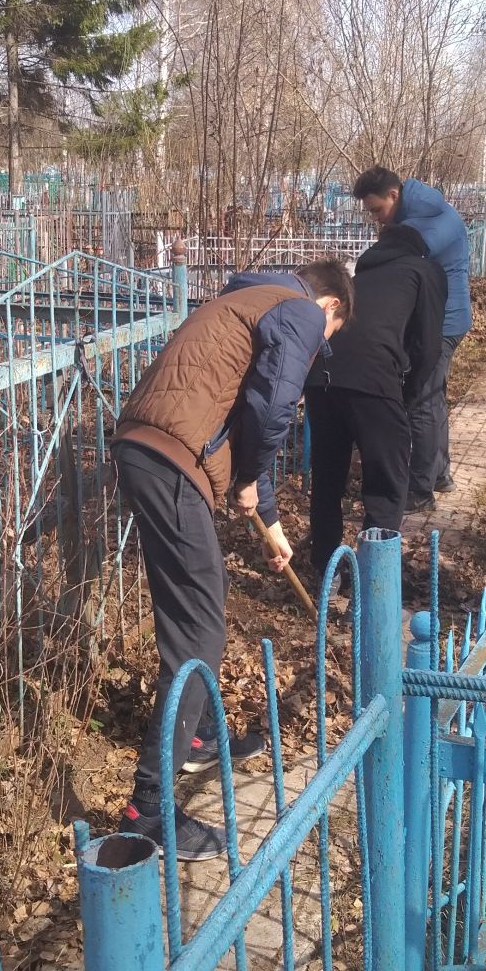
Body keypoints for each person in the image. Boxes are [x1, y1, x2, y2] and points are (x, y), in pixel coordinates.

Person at [112, 258, 354, 860]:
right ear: (331, 309)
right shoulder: (299, 310)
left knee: (206, 597)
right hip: (172, 460)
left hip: (153, 449)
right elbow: (273, 410)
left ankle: (192, 733)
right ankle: (148, 809)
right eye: (331, 339)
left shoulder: (251, 302)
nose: (319, 349)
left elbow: (248, 416)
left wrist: (268, 520)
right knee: (197, 632)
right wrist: (247, 476)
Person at [304, 225, 446, 575]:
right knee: (387, 482)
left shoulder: (359, 277)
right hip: (374, 381)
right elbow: (428, 347)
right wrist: (408, 395)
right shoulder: (424, 270)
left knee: (327, 479)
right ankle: (374, 579)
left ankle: (325, 572)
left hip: (321, 375)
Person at [351, 167, 472, 510]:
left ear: (394, 195)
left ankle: (420, 491)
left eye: (377, 210)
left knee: (421, 399)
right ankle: (439, 474)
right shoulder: (419, 212)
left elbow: (393, 260)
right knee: (434, 396)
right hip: (439, 317)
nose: (376, 220)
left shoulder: (426, 222)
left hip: (441, 322)